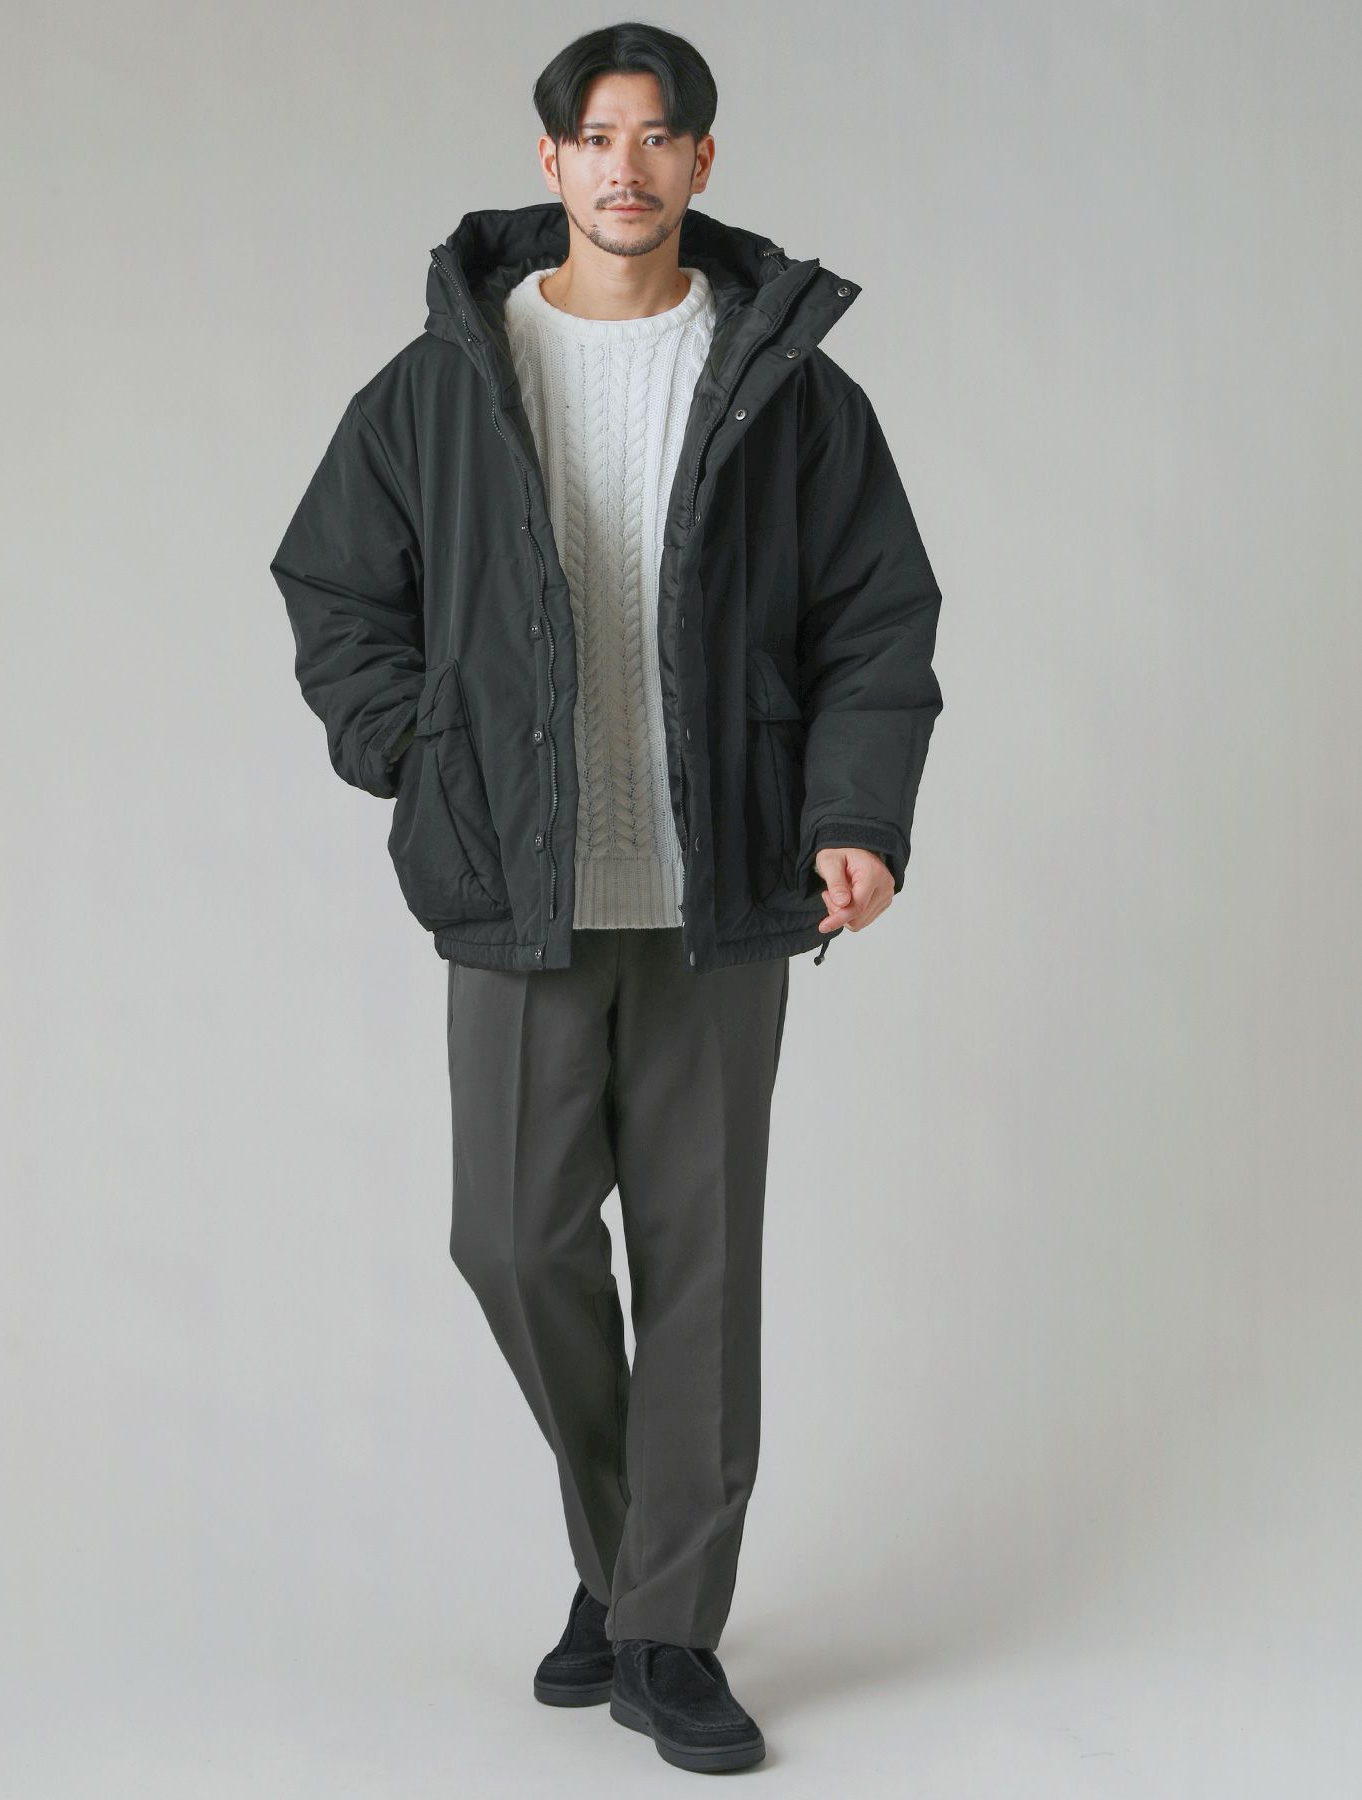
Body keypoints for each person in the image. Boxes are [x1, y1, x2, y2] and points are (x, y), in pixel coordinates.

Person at [270, 21, 944, 1777]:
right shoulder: (441, 384)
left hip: (726, 889)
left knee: (702, 1267)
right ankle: (632, 1554)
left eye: (659, 136)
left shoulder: (790, 390)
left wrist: (856, 816)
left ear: (704, 163)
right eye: (596, 135)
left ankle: (664, 1628)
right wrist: (421, 756)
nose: (626, 166)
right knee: (510, 1239)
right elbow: (336, 589)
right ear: (550, 160)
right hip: (520, 883)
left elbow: (878, 619)